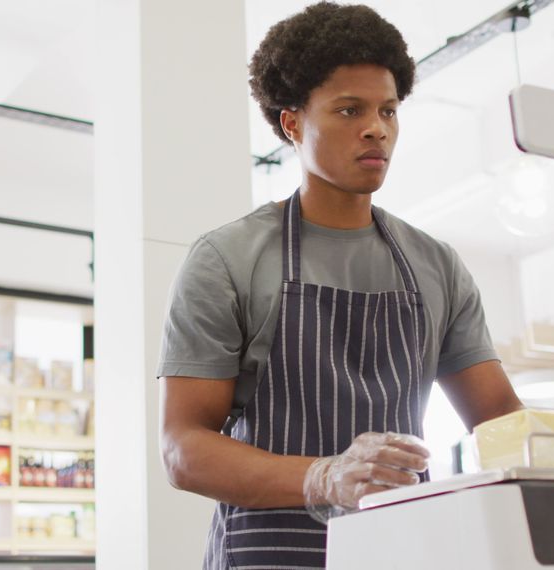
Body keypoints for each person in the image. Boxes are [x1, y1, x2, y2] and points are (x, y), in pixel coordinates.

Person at [157, 3, 523, 568]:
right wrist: (324, 476)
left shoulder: (436, 266)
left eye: (388, 110)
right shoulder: (227, 259)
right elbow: (184, 448)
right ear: (293, 122)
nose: (376, 128)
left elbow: (499, 418)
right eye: (350, 109)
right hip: (266, 553)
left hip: (399, 550)